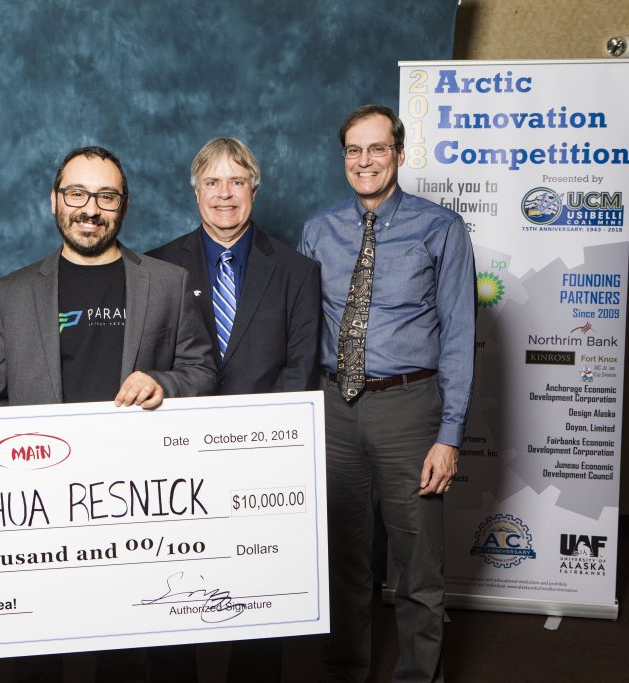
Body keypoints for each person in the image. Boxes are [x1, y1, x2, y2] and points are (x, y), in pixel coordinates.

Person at [0, 145, 218, 682]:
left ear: (123, 205)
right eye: (77, 194)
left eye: (106, 196)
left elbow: (202, 371)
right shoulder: (12, 293)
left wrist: (163, 382)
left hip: (138, 503)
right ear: (54, 201)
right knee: (37, 651)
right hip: (39, 504)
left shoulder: (166, 283)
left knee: (131, 647)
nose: (90, 209)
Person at [299, 104, 475, 682]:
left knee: (418, 567)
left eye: (377, 148)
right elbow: (302, 329)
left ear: (399, 154)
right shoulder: (318, 230)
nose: (365, 160)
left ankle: (419, 677)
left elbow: (459, 336)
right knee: (342, 562)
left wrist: (449, 436)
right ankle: (345, 672)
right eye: (354, 150)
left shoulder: (441, 228)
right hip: (334, 409)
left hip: (409, 409)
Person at [147, 136, 321, 681]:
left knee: (257, 590)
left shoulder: (296, 270)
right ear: (195, 191)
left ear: (254, 190)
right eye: (213, 182)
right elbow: (152, 362)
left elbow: (300, 370)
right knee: (177, 587)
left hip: (260, 458)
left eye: (237, 181)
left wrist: (262, 445)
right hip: (177, 457)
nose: (225, 194)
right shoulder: (157, 266)